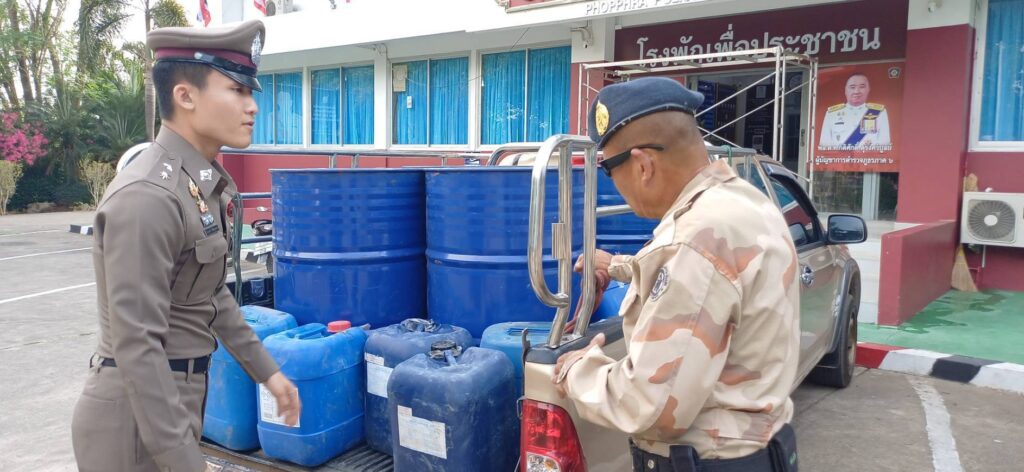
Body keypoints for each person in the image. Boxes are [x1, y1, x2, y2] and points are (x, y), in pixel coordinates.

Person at [71, 20, 300, 472]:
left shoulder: (196, 185)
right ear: (185, 96)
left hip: (172, 404)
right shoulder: (148, 197)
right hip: (135, 423)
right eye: (236, 90)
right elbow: (138, 347)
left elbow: (210, 295)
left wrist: (268, 372)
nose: (252, 106)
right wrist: (185, 461)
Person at [553, 77, 801, 472]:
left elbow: (650, 406)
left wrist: (576, 368)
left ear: (643, 165)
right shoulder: (744, 201)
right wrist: (619, 266)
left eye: (608, 169)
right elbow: (713, 279)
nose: (613, 184)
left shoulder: (694, 241)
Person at [819, 72, 891, 149]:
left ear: (868, 89)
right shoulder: (832, 113)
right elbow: (824, 145)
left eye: (862, 87)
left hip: (869, 156)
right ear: (845, 90)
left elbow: (884, 145)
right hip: (840, 156)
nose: (856, 91)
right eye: (852, 87)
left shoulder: (879, 113)